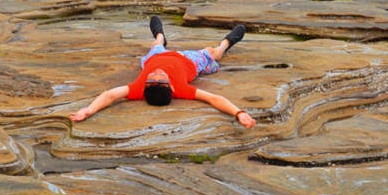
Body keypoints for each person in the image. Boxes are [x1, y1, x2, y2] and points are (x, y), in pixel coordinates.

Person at [70, 17, 256, 129]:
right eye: (161, 78)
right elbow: (214, 99)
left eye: (152, 78)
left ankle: (160, 35)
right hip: (189, 60)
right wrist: (238, 113)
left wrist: (90, 109)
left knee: (155, 46)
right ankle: (226, 42)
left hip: (156, 56)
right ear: (172, 86)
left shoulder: (137, 89)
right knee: (212, 53)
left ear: (145, 88)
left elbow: (109, 95)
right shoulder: (182, 89)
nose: (157, 73)